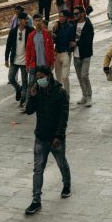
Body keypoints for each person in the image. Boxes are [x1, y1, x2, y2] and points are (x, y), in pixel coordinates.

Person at [24, 66, 71, 214]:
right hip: (41, 137)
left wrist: (59, 136)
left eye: (41, 77)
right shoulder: (37, 92)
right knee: (38, 169)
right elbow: (29, 111)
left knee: (61, 162)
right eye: (37, 78)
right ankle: (36, 200)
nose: (39, 80)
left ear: (48, 76)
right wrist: (31, 96)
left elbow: (63, 117)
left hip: (55, 138)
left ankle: (67, 184)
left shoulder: (60, 93)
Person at [5, 12, 33, 108]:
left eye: (27, 19)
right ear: (20, 20)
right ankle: (18, 88)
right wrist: (6, 59)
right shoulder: (13, 31)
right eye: (25, 19)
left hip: (25, 61)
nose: (27, 21)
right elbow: (8, 45)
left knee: (25, 81)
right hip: (15, 59)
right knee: (11, 78)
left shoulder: (30, 30)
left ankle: (23, 100)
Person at [25, 14, 55, 96]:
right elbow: (28, 51)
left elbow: (51, 49)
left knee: (47, 84)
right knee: (31, 84)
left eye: (39, 21)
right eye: (36, 21)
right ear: (33, 22)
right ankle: (28, 104)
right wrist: (27, 64)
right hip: (34, 64)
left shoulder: (47, 34)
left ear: (42, 22)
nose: (38, 23)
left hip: (45, 64)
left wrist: (52, 62)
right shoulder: (31, 35)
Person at [51, 10, 76, 97]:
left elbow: (72, 41)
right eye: (59, 16)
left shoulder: (70, 27)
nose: (61, 18)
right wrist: (54, 37)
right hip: (57, 53)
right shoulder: (56, 26)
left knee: (65, 76)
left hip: (66, 53)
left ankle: (67, 94)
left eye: (63, 16)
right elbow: (54, 40)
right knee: (58, 77)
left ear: (66, 17)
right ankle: (60, 94)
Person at [72, 7, 94, 106]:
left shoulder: (88, 25)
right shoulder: (73, 24)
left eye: (77, 14)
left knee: (84, 75)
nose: (75, 16)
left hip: (85, 54)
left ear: (82, 13)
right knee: (79, 77)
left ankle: (89, 97)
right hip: (75, 55)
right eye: (74, 14)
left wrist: (76, 43)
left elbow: (89, 41)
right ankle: (84, 96)